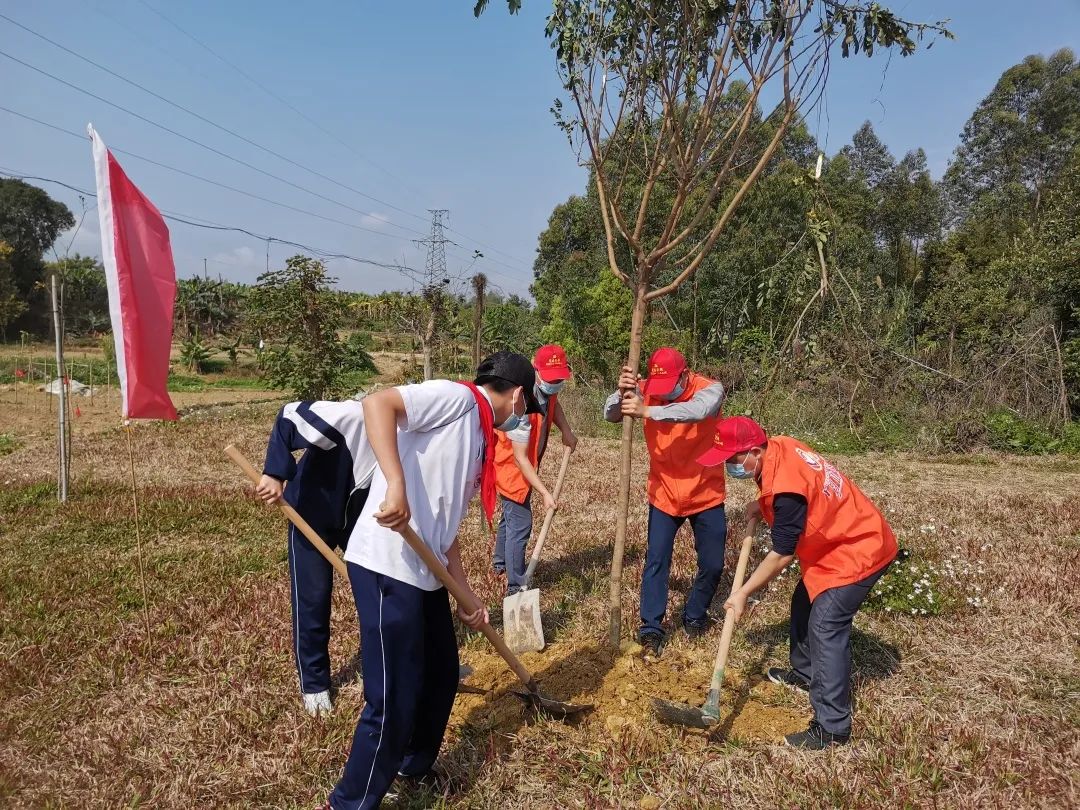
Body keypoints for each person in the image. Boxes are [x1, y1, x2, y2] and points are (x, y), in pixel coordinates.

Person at [313, 351, 540, 810]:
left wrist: (463, 590)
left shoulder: (478, 436)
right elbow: (378, 403)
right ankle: (350, 802)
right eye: (525, 406)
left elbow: (444, 524)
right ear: (517, 395)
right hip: (386, 563)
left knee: (440, 675)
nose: (523, 415)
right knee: (393, 693)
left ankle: (412, 765)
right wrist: (395, 484)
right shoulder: (457, 399)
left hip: (426, 568)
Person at [699, 416, 898, 750]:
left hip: (858, 549)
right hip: (837, 543)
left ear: (754, 451)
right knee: (803, 602)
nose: (727, 467)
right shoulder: (782, 446)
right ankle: (805, 675)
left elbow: (782, 553)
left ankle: (832, 727)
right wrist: (763, 504)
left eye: (731, 460)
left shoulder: (785, 488)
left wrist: (744, 591)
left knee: (825, 625)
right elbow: (796, 493)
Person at [604, 347, 727, 660]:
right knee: (656, 562)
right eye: (658, 389)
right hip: (663, 493)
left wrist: (648, 411)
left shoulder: (710, 390)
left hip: (705, 492)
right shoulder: (646, 388)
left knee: (712, 564)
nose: (663, 394)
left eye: (671, 385)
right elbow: (610, 414)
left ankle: (695, 615)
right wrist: (622, 394)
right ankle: (651, 628)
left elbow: (696, 412)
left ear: (685, 374)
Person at [255, 399, 375, 715]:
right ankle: (315, 684)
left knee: (382, 588)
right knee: (313, 596)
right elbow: (288, 416)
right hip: (311, 514)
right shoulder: (348, 417)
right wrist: (274, 472)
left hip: (359, 518)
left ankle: (390, 658)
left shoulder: (411, 439)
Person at [493, 344, 578, 594]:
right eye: (550, 379)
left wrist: (566, 430)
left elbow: (553, 404)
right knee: (520, 524)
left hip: (528, 465)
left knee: (510, 517)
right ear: (534, 367)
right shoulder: (519, 399)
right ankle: (515, 586)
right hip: (512, 469)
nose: (554, 384)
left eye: (559, 379)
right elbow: (519, 459)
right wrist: (544, 493)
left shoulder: (545, 391)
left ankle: (500, 563)